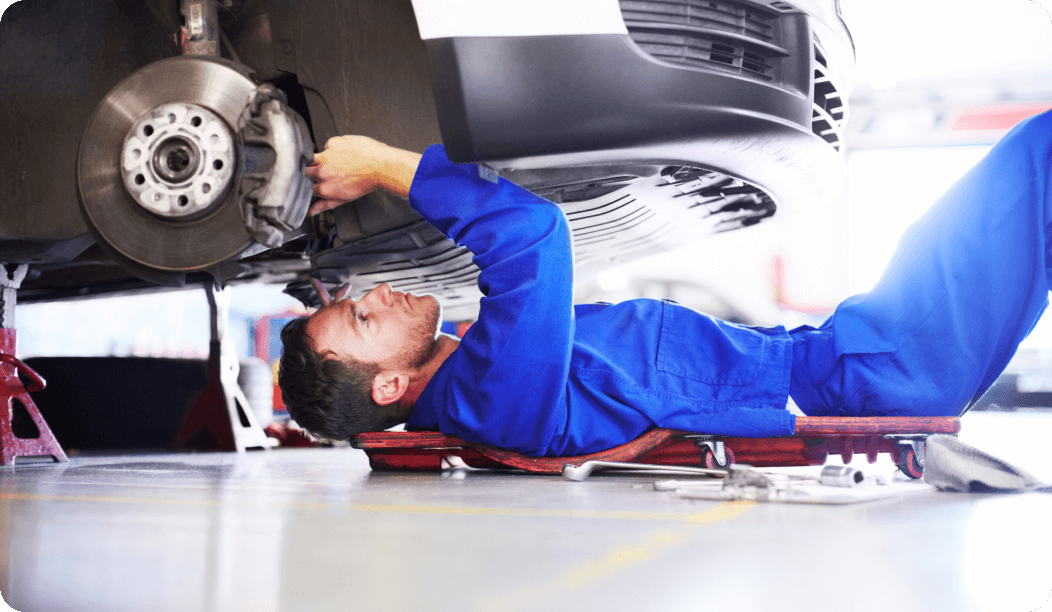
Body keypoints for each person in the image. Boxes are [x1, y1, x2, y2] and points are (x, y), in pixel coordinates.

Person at [279, 112, 1052, 457]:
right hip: (863, 379)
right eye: (361, 318)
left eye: (357, 297)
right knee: (1035, 162)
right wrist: (385, 165)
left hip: (842, 359)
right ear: (388, 389)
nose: (376, 294)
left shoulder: (477, 372)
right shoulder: (490, 396)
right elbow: (533, 241)